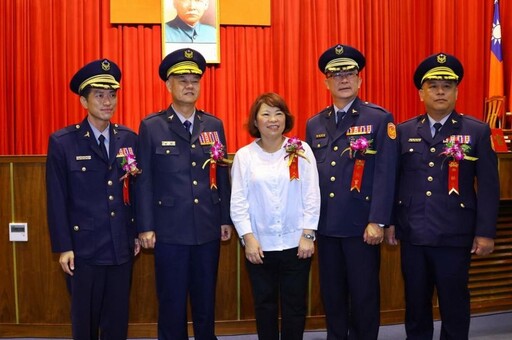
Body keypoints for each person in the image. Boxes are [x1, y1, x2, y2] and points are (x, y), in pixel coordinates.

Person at [385, 52, 500, 339]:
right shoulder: (404, 131)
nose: (440, 92)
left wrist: (485, 233)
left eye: (446, 86)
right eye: (433, 86)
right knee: (415, 305)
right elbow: (392, 181)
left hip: (454, 234)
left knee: (454, 304)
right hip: (413, 234)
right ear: (421, 92)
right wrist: (389, 222)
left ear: (456, 91)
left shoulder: (476, 131)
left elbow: (488, 187)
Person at [135, 48, 232, 340]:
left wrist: (224, 218)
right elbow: (144, 181)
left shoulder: (213, 125)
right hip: (169, 231)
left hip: (206, 227)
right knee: (172, 302)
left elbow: (222, 175)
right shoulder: (152, 126)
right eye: (182, 80)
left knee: (205, 301)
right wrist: (145, 226)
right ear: (168, 85)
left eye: (194, 80)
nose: (189, 86)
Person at [305, 44, 398, 340]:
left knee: (363, 297)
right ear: (326, 82)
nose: (343, 79)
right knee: (332, 297)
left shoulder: (379, 119)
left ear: (359, 80)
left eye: (350, 73)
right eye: (336, 74)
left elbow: (386, 173)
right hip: (328, 226)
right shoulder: (314, 124)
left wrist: (378, 221)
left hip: (362, 226)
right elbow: (310, 178)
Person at [46, 59, 140, 340]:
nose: (107, 101)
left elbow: (135, 191)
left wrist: (134, 233)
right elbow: (56, 199)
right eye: (99, 95)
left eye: (112, 94)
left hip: (120, 246)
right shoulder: (64, 142)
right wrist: (64, 247)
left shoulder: (128, 139)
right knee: (85, 323)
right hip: (83, 250)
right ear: (83, 101)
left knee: (117, 321)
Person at [230, 93, 321, 340]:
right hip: (259, 247)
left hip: (296, 244)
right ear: (255, 121)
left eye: (278, 113)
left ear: (286, 118)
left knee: (294, 307)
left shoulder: (301, 150)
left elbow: (312, 194)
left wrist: (308, 234)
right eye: (266, 114)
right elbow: (238, 202)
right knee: (264, 306)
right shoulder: (244, 156)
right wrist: (247, 238)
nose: (273, 120)